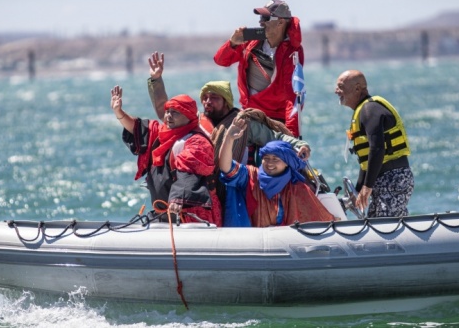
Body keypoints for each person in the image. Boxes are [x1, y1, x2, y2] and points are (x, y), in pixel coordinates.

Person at [146, 52, 311, 226]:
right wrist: (156, 80)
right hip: (204, 189)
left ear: (226, 102)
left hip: (234, 185)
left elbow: (275, 136)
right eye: (205, 97)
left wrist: (300, 145)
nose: (208, 101)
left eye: (214, 98)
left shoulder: (243, 123)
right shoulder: (196, 122)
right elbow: (165, 112)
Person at [111, 86, 222, 226]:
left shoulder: (198, 142)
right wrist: (118, 112)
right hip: (164, 213)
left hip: (191, 215)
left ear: (188, 116)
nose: (168, 115)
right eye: (168, 111)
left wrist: (177, 199)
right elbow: (136, 128)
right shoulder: (161, 133)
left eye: (175, 112)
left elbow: (188, 175)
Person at [218, 117, 334, 227]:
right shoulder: (250, 175)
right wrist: (229, 138)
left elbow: (319, 221)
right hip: (252, 240)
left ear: (286, 163)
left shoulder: (297, 187)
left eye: (276, 159)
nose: (270, 163)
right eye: (266, 158)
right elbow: (226, 168)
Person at [214, 0, 304, 138]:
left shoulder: (292, 52)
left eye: (266, 18)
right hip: (248, 113)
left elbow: (293, 96)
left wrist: (290, 135)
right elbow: (221, 61)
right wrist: (232, 43)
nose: (261, 22)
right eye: (261, 18)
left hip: (275, 120)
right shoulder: (250, 42)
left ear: (280, 22)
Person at [334, 70, 414, 218]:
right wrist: (358, 191)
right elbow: (366, 163)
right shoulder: (361, 111)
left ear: (357, 88)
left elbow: (377, 148)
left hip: (392, 178)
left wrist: (367, 187)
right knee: (374, 224)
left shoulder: (370, 109)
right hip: (381, 180)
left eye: (340, 86)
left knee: (387, 228)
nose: (336, 91)